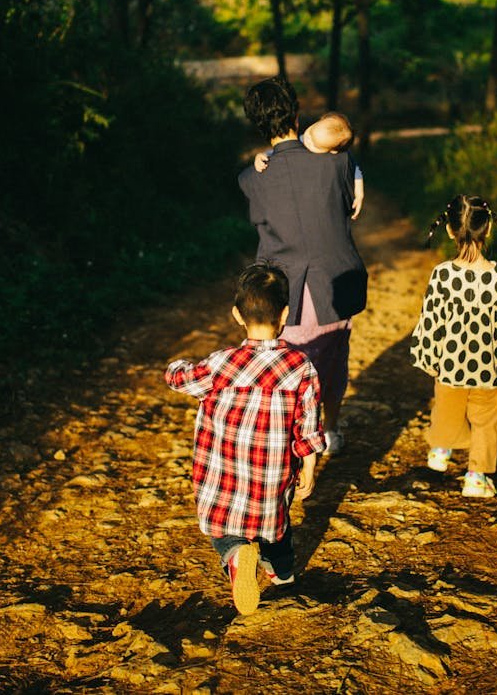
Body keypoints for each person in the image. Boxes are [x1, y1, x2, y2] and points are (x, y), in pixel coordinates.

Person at [165, 262, 326, 614]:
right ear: (286, 314)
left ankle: (237, 554)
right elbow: (309, 424)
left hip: (222, 474)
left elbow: (179, 379)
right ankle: (282, 576)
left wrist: (175, 365)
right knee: (277, 528)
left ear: (237, 315)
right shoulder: (301, 367)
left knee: (220, 526)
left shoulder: (221, 363)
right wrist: (310, 466)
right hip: (271, 480)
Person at [238, 76, 367, 455]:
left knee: (288, 366)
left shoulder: (251, 178)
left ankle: (290, 433)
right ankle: (331, 428)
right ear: (297, 113)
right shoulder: (339, 163)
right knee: (332, 358)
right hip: (334, 282)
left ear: (258, 124)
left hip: (283, 290)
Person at [409, 195, 497, 498]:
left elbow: (431, 321)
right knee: (487, 419)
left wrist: (429, 358)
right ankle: (476, 477)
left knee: (447, 405)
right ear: (490, 228)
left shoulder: (442, 274)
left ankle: (441, 450)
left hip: (451, 366)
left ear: (450, 231)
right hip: (490, 368)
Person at [254, 111, 366, 219]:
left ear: (332, 151)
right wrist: (262, 155)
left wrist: (359, 194)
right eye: (311, 130)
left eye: (314, 143)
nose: (307, 138)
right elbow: (280, 151)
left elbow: (356, 169)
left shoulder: (342, 155)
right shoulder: (301, 140)